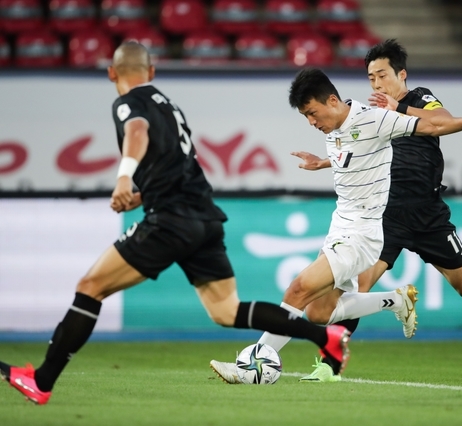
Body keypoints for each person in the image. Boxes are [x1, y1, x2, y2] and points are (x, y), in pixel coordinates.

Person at [0, 42, 352, 405]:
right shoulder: (170, 108)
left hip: (170, 221)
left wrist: (124, 178)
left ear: (111, 74)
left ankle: (41, 382)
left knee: (90, 287)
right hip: (204, 217)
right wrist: (141, 194)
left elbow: (137, 132)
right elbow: (181, 163)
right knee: (226, 311)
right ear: (151, 72)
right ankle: (324, 337)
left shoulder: (128, 103)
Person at [209, 66, 462, 384]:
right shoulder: (333, 128)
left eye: (313, 113)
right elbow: (351, 155)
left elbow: (431, 126)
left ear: (332, 100)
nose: (312, 122)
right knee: (320, 313)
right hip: (339, 228)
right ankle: (396, 300)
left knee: (297, 289)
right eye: (306, 116)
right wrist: (320, 162)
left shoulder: (374, 119)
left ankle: (253, 364)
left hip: (362, 235)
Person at [292, 39, 462, 382]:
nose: (376, 84)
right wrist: (324, 162)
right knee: (357, 288)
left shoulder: (418, 99)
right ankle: (330, 364)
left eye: (382, 75)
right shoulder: (372, 114)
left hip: (429, 214)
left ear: (402, 74)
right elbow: (356, 151)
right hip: (387, 216)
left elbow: (440, 120)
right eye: (371, 78)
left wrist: (400, 109)